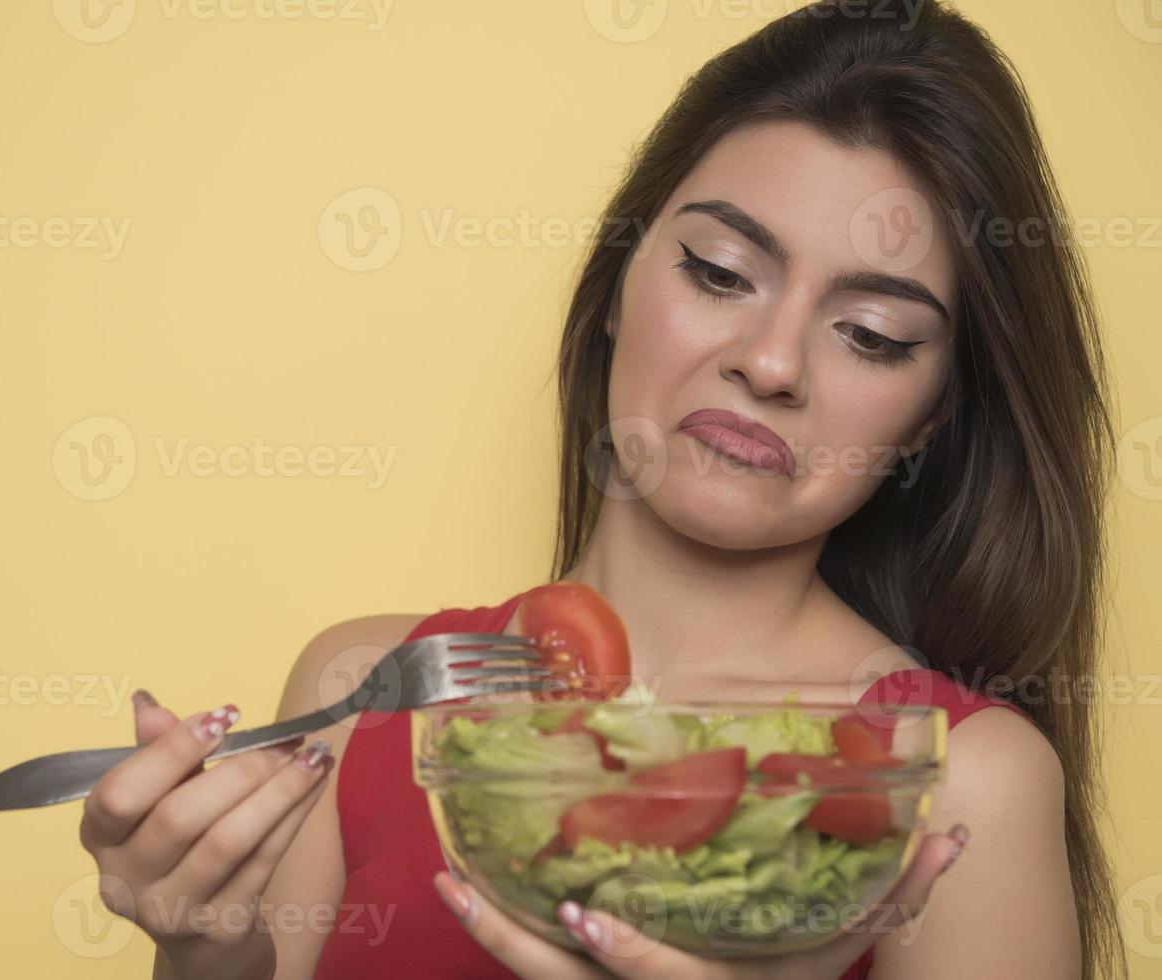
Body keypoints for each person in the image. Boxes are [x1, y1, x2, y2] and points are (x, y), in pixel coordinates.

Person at [79, 1, 1124, 977]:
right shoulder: (363, 689)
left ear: (932, 415)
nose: (770, 362)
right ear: (620, 281)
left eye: (871, 334)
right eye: (718, 270)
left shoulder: (959, 781)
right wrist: (205, 950)